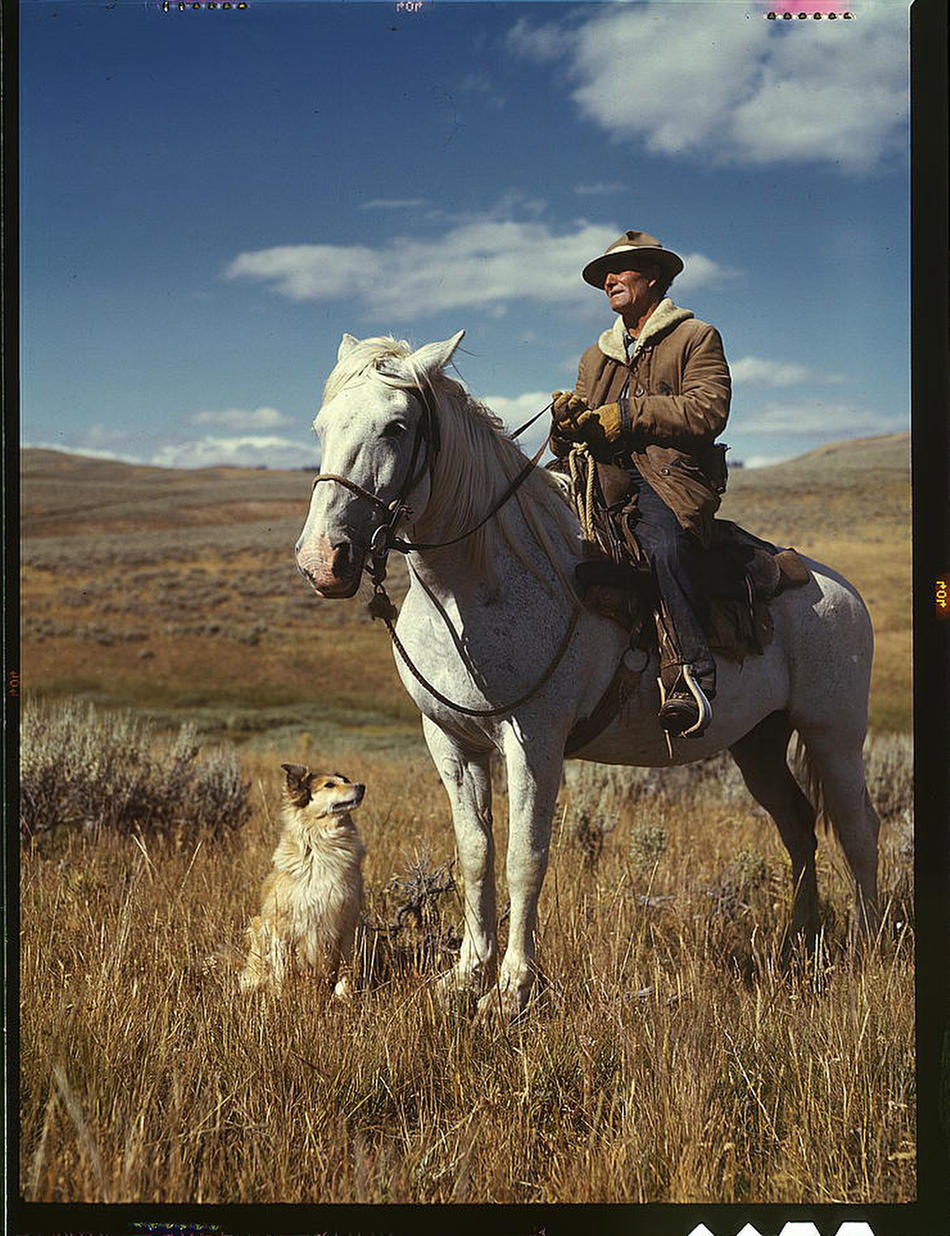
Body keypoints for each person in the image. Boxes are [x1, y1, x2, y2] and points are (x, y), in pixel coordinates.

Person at [551, 230, 732, 738]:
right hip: (599, 477)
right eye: (603, 277)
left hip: (669, 477)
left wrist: (628, 416)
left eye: (620, 271)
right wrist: (567, 426)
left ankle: (689, 673)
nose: (608, 281)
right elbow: (585, 429)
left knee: (666, 546)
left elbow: (707, 410)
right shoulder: (596, 356)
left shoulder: (695, 336)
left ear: (653, 277)